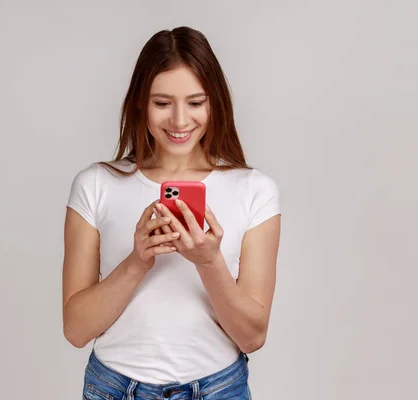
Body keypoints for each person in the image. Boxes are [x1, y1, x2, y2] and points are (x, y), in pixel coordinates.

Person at [62, 26, 281, 400]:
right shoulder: (96, 184)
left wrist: (208, 261)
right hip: (114, 388)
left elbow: (252, 336)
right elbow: (76, 329)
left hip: (218, 389)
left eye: (196, 103)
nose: (180, 121)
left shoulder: (254, 190)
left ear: (215, 104)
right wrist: (137, 261)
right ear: (139, 104)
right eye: (162, 103)